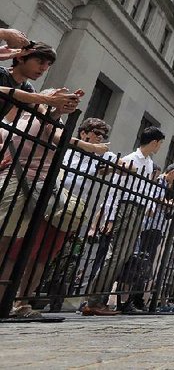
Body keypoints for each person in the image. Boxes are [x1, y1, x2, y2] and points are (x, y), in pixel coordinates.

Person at [0, 89, 107, 318]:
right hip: (22, 187)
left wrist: (58, 108)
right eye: (96, 132)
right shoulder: (24, 119)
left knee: (36, 253)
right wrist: (92, 148)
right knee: (11, 247)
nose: (100, 137)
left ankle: (20, 301)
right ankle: (7, 299)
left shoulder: (53, 124)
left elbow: (60, 137)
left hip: (48, 200)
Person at [83, 126, 165, 316]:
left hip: (138, 210)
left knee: (124, 255)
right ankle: (94, 299)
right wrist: (110, 217)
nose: (159, 146)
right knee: (116, 255)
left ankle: (100, 299)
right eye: (160, 143)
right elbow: (115, 190)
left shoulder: (149, 164)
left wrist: (149, 208)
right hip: (125, 208)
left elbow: (146, 190)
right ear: (154, 142)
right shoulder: (130, 160)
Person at [126, 163, 174, 311]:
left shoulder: (169, 186)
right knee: (142, 262)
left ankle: (138, 299)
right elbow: (158, 200)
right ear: (172, 172)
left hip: (157, 226)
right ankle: (133, 300)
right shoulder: (158, 181)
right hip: (149, 226)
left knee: (147, 264)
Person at [0, 41, 79, 114]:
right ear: (20, 58)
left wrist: (59, 110)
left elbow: (44, 117)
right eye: (40, 61)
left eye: (49, 64)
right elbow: (5, 91)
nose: (44, 68)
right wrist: (48, 99)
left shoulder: (27, 87)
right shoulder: (1, 73)